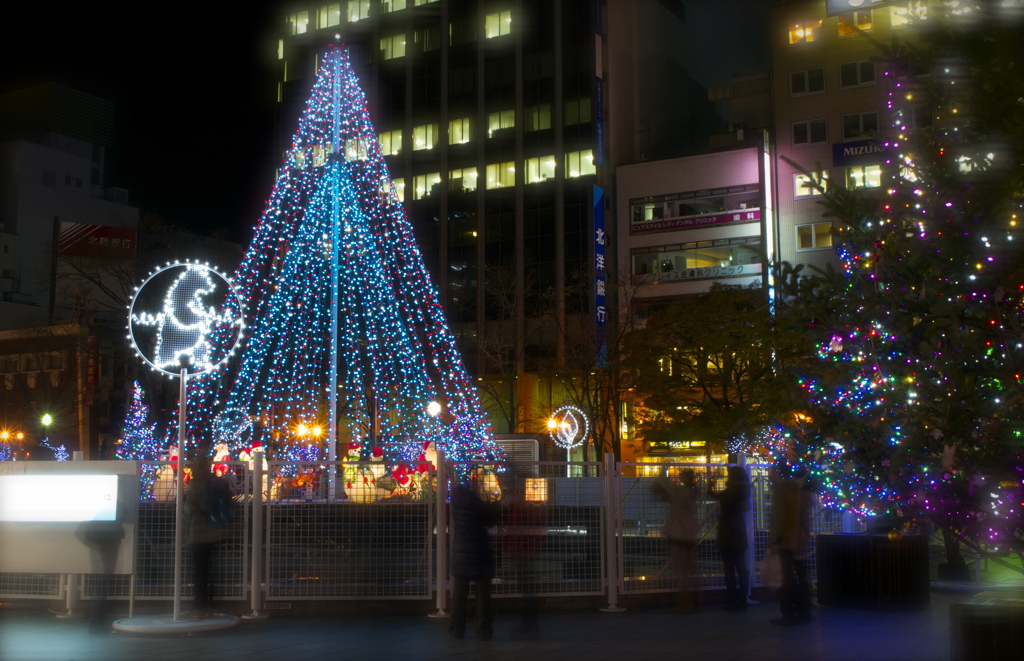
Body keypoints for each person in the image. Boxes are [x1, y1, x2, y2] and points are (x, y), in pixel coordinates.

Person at [185, 453, 233, 616]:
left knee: (199, 571)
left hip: (198, 533)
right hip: (216, 531)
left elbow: (190, 510)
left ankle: (200, 606)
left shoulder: (195, 484)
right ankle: (210, 605)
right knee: (210, 570)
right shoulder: (217, 482)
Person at [448, 483, 498, 641]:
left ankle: (456, 630)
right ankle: (483, 631)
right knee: (483, 593)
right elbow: (490, 519)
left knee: (459, 595)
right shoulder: (476, 503)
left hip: (460, 551)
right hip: (479, 551)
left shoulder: (456, 503)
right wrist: (495, 503)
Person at [769, 470, 814, 626]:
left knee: (785, 578)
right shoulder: (803, 492)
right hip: (800, 540)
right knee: (801, 575)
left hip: (786, 540)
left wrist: (775, 539)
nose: (769, 475)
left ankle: (788, 614)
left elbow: (779, 517)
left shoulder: (783, 490)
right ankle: (804, 611)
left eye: (771, 471)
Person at [652, 469, 700, 614]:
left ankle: (686, 602)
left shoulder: (679, 492)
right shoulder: (693, 492)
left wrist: (663, 469)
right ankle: (697, 598)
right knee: (692, 569)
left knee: (681, 571)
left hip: (677, 535)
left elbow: (662, 485)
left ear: (684, 478)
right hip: (689, 534)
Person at [709, 464, 750, 612]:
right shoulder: (744, 491)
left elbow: (713, 494)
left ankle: (732, 600)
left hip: (727, 534)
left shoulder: (730, 492)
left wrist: (711, 482)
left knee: (729, 570)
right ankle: (743, 600)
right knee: (741, 569)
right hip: (740, 534)